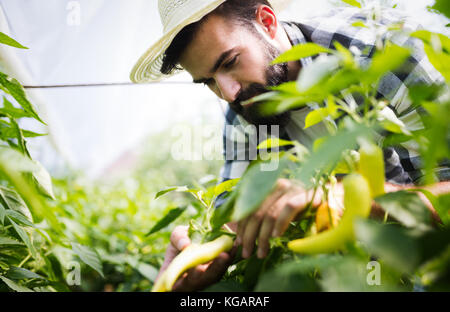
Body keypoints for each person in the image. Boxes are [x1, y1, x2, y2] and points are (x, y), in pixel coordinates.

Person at [130, 0, 450, 291]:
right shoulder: (247, 111)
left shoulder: (384, 57)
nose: (228, 93)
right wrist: (199, 248)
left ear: (267, 22)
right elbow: (238, 210)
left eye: (229, 62)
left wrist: (353, 200)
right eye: (208, 81)